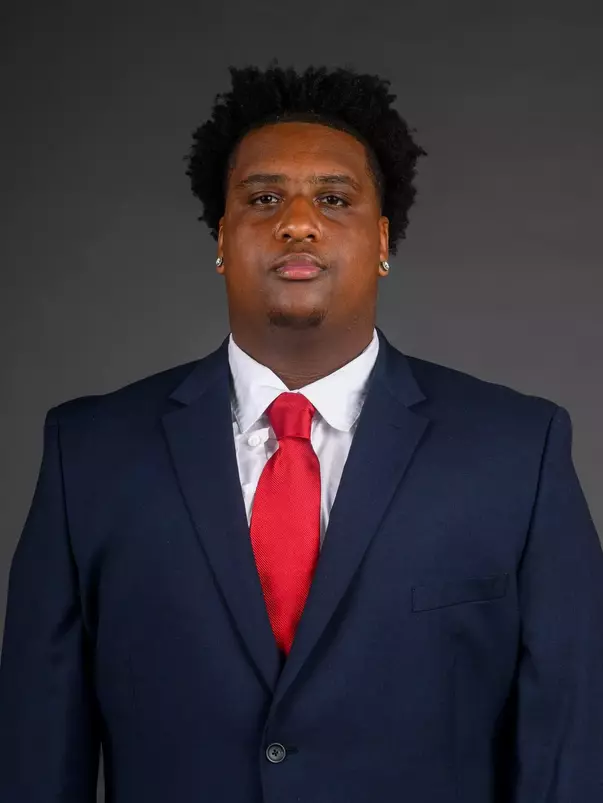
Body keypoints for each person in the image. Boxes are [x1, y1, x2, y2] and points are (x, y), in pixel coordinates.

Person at [1, 63, 602, 803]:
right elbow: (35, 755)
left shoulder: (518, 452)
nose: (296, 220)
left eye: (332, 198)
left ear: (382, 239)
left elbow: (567, 749)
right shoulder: (88, 454)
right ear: (221, 238)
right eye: (262, 198)